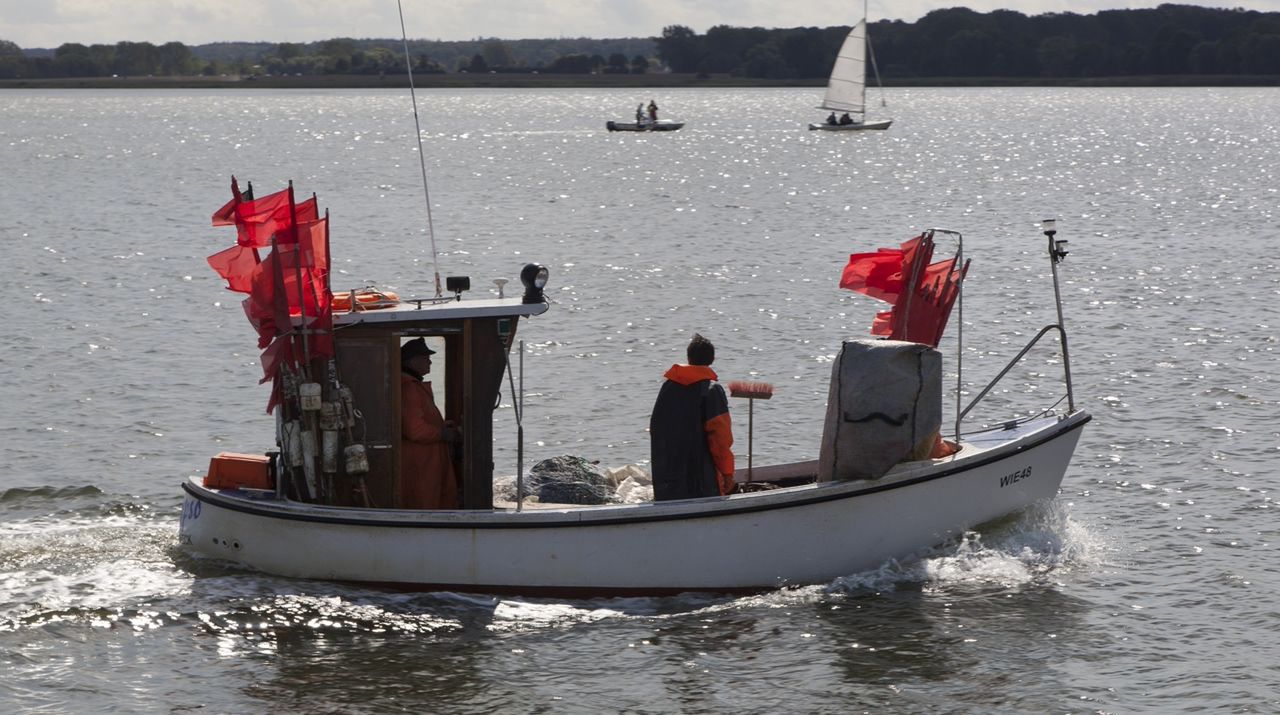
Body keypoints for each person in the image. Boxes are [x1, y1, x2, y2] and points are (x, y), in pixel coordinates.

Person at [649, 333, 735, 501]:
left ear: (688, 358)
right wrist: (727, 474)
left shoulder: (668, 387)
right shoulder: (711, 391)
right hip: (701, 481)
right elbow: (720, 440)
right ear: (712, 359)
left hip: (667, 479)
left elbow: (656, 427)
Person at [400, 337, 460, 509]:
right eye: (426, 357)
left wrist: (442, 426)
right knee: (425, 503)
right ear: (413, 360)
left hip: (425, 460)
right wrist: (443, 434)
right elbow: (415, 430)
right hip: (421, 463)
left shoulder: (411, 385)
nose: (430, 362)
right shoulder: (409, 387)